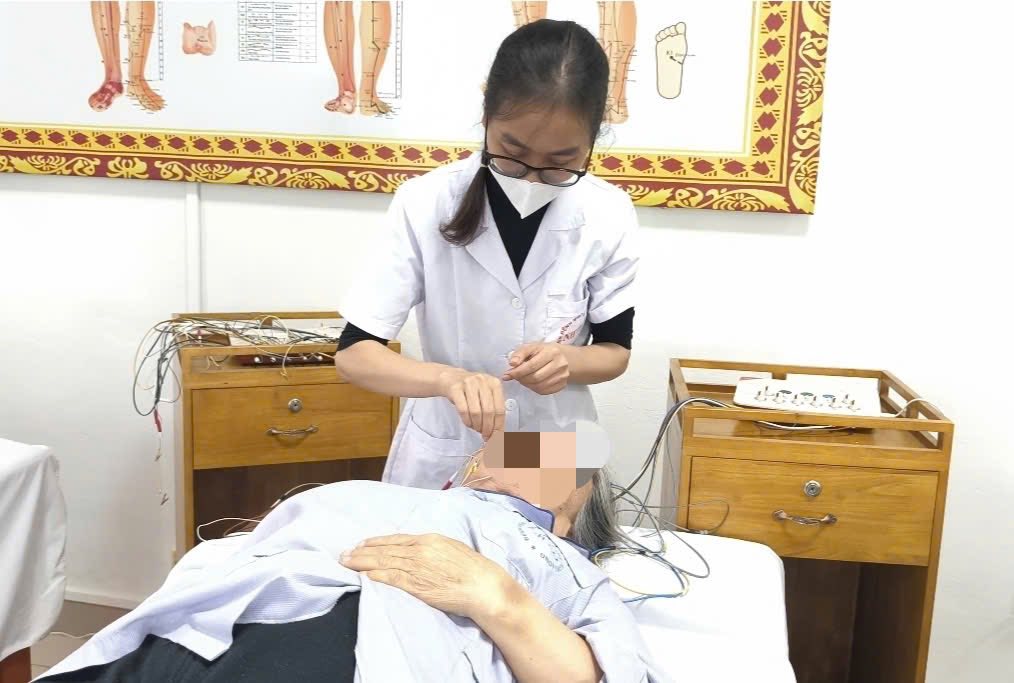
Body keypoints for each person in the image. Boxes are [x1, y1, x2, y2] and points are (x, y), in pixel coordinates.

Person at [37, 431, 667, 682]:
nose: (524, 454)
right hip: (206, 622)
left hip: (349, 645)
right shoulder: (393, 495)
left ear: (575, 518)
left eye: (560, 461)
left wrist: (497, 597)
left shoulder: (564, 564)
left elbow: (593, 676)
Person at [335, 19, 639, 489]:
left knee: (539, 537)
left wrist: (568, 361)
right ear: (486, 116)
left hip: (552, 446)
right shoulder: (426, 201)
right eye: (511, 152)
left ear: (593, 140)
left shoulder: (607, 212)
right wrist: (447, 380)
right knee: (437, 538)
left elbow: (615, 352)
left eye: (560, 163)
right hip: (450, 443)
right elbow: (354, 354)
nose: (531, 179)